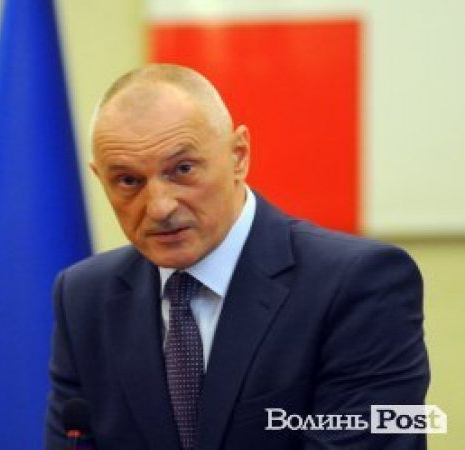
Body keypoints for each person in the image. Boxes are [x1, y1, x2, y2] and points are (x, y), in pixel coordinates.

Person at [44, 64, 429, 450]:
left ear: (238, 157)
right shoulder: (84, 297)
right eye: (128, 181)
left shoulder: (360, 283)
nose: (159, 207)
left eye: (182, 169)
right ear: (100, 179)